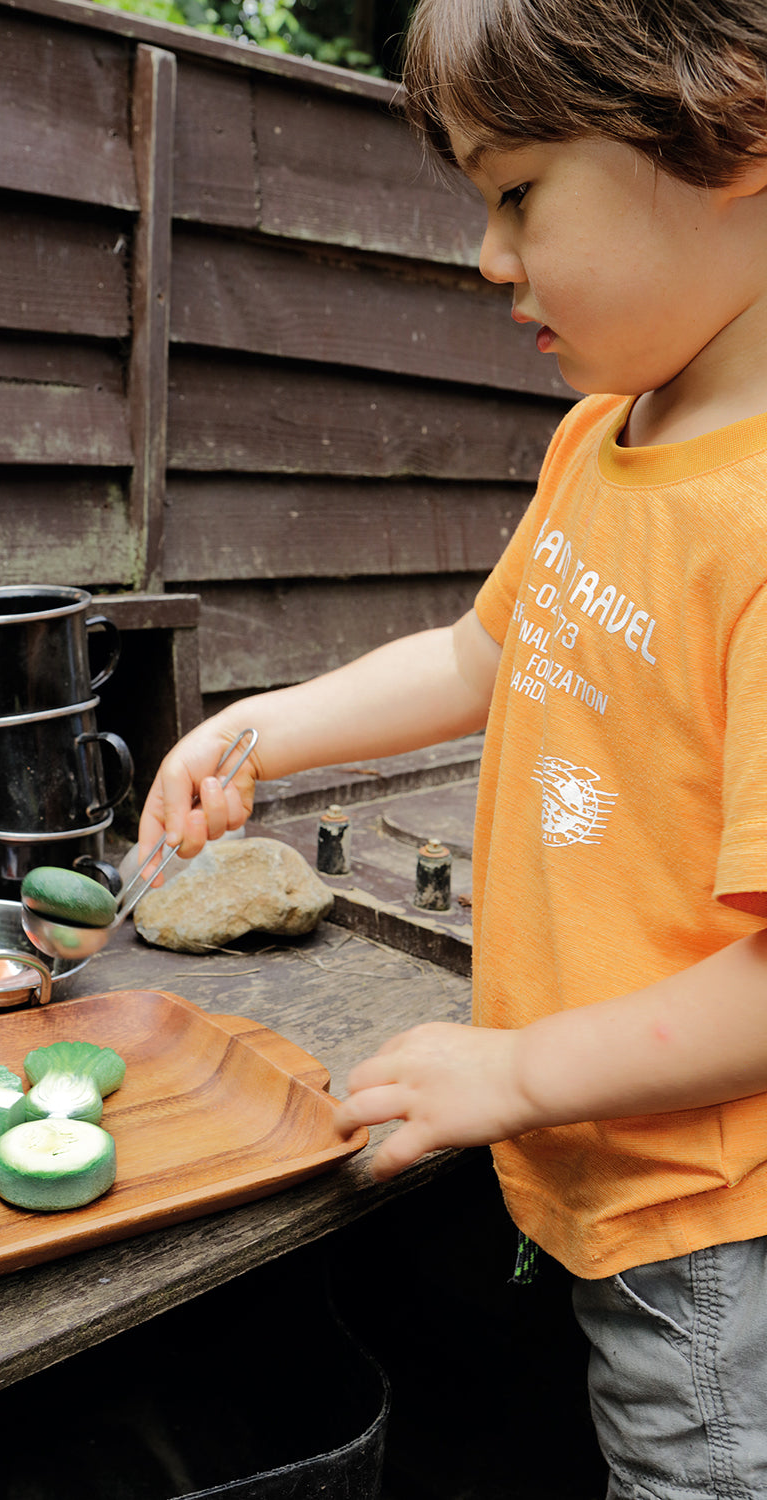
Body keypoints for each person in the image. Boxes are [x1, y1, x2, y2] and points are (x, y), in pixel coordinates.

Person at [137, 2, 767, 1493]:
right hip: (608, 1177)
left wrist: (519, 1072)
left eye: (517, 190)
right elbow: (489, 649)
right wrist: (268, 725)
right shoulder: (611, 433)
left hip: (717, 1234)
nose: (487, 257)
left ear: (733, 127)